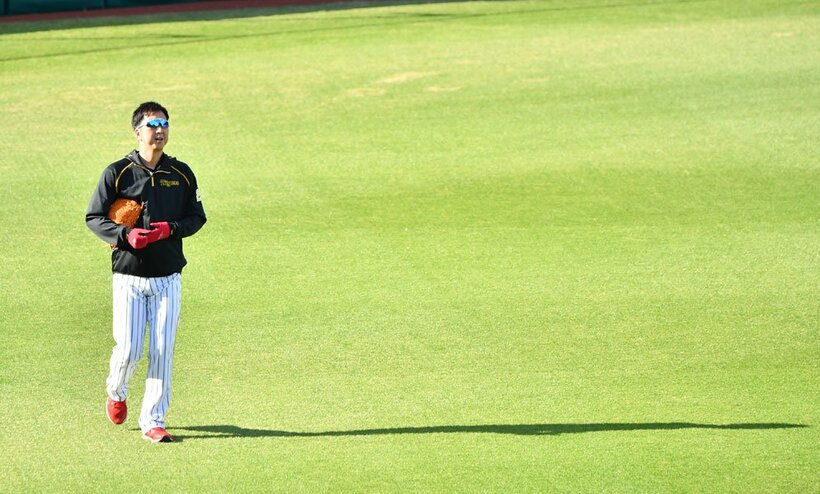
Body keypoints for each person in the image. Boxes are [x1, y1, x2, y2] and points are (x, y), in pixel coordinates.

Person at [86, 101, 206, 443]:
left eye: (164, 123)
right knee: (128, 350)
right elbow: (94, 217)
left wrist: (170, 230)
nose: (160, 130)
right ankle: (117, 390)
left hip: (168, 277)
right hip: (129, 278)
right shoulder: (117, 172)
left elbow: (197, 217)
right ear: (138, 132)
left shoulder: (181, 173)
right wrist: (125, 235)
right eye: (153, 124)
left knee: (162, 349)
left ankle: (153, 419)